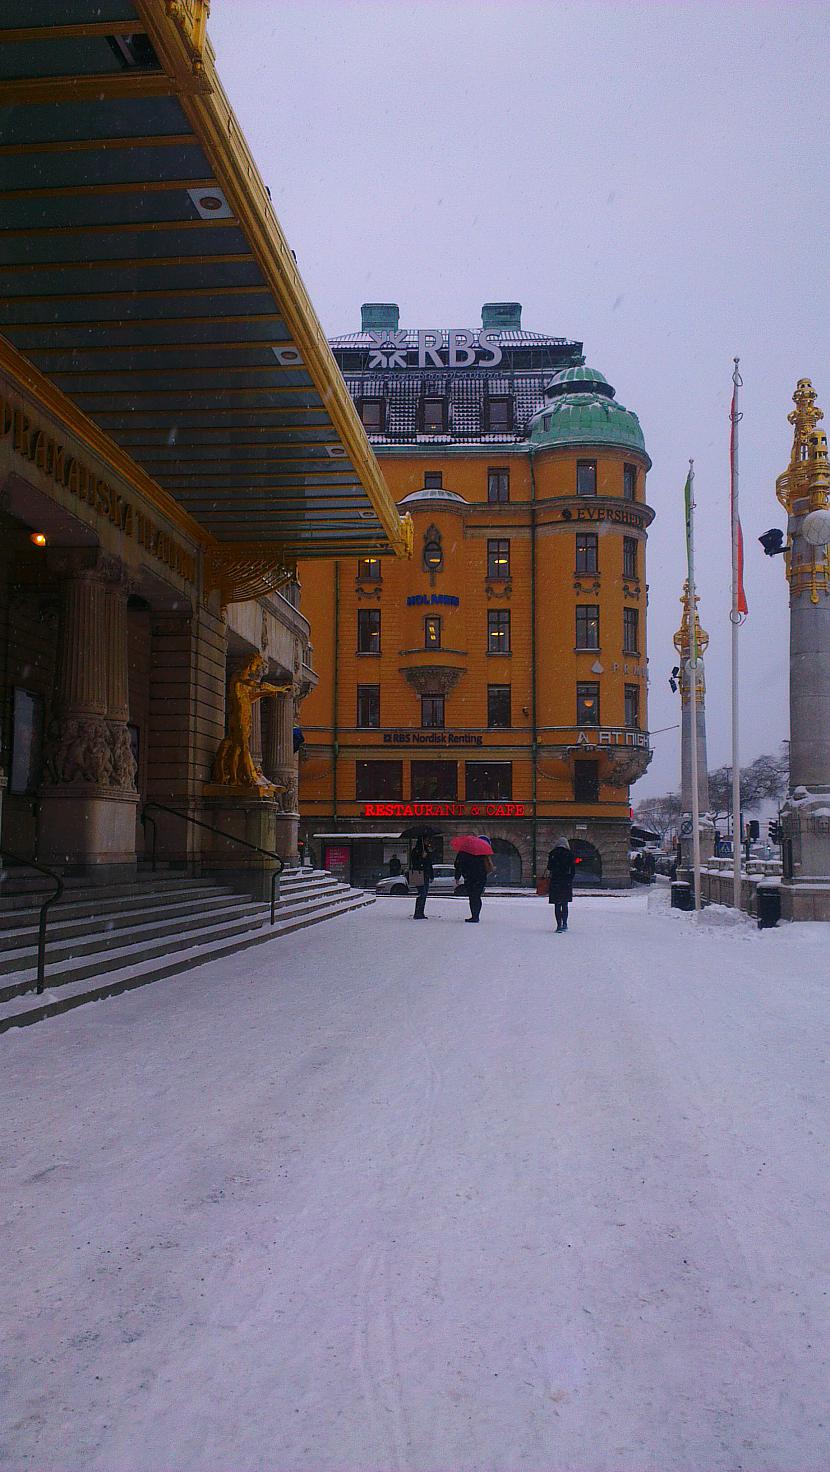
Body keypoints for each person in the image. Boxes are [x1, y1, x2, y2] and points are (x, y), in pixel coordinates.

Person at [454, 839, 492, 923]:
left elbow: (458, 865)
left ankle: (474, 916)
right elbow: (486, 865)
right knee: (477, 896)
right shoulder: (481, 852)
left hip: (470, 877)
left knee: (472, 897)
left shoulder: (463, 853)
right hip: (481, 877)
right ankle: (476, 915)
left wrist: (457, 877)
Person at [546, 837, 577, 933]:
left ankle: (558, 925)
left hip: (555, 881)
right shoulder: (569, 854)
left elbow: (549, 867)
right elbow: (573, 869)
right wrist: (569, 878)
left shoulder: (553, 854)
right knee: (564, 904)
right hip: (565, 882)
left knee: (557, 904)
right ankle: (565, 924)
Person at [409, 835, 434, 919]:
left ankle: (421, 912)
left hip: (425, 874)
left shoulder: (426, 850)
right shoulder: (416, 851)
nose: (428, 842)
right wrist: (421, 858)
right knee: (422, 893)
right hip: (417, 873)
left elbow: (429, 864)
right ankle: (417, 913)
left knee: (424, 894)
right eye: (426, 840)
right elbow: (415, 863)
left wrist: (431, 875)